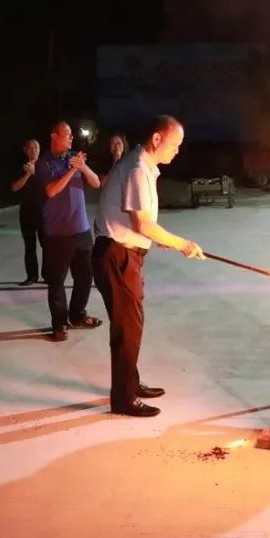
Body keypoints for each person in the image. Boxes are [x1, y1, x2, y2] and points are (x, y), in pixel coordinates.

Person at [93, 115, 205, 417]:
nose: (177, 151)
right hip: (117, 255)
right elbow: (141, 223)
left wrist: (162, 239)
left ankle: (131, 383)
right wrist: (182, 243)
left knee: (131, 324)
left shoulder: (141, 166)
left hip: (123, 254)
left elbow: (144, 225)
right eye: (175, 144)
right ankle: (124, 399)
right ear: (157, 139)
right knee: (128, 327)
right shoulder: (137, 168)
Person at [36, 121, 103, 342]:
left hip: (81, 230)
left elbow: (95, 183)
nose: (71, 138)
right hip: (58, 234)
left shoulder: (74, 157)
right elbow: (52, 191)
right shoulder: (45, 162)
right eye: (67, 134)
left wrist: (82, 167)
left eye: (72, 135)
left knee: (85, 277)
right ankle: (58, 325)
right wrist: (72, 169)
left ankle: (77, 315)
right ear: (54, 136)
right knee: (57, 282)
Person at [10, 139, 44, 286]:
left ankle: (49, 275)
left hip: (44, 211)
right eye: (30, 148)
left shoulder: (45, 166)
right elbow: (14, 188)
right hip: (26, 211)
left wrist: (36, 171)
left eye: (36, 147)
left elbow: (50, 185)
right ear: (25, 150)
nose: (33, 150)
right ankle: (31, 276)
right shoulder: (20, 168)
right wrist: (28, 175)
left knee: (47, 245)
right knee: (29, 246)